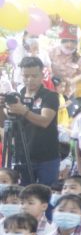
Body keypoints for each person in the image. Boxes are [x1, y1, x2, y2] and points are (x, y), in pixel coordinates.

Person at [0, 56, 62, 186]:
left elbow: (45, 121)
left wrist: (24, 111)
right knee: (22, 193)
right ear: (21, 76)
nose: (30, 80)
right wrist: (1, 107)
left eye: (34, 76)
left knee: (45, 192)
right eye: (26, 76)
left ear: (42, 75)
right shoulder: (17, 96)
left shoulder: (50, 96)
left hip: (46, 156)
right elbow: (6, 124)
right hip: (22, 155)